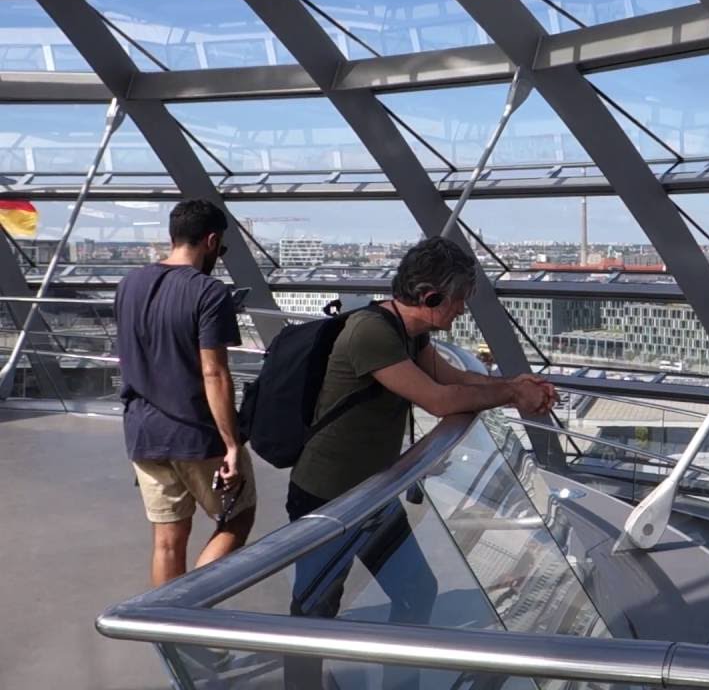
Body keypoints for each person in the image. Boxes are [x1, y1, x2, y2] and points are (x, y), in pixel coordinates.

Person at [284, 236, 555, 688]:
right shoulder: (371, 332)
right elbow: (439, 398)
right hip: (327, 498)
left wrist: (515, 383)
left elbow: (456, 378)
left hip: (372, 494)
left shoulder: (410, 332)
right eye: (458, 301)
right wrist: (510, 393)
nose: (462, 311)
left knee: (415, 591)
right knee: (314, 607)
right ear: (430, 298)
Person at [115, 198, 255, 587]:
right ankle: (195, 605)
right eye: (221, 249)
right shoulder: (208, 293)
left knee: (166, 542)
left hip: (143, 434)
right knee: (237, 517)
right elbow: (214, 373)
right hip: (195, 434)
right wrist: (231, 445)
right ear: (211, 240)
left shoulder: (128, 285)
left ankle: (168, 633)